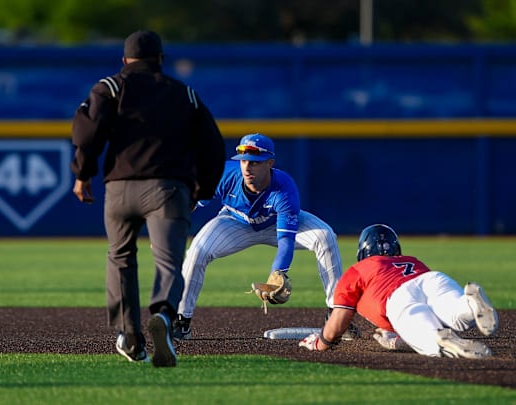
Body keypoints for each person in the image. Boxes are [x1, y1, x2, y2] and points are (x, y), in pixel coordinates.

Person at [70, 30, 226, 367]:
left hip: (120, 187)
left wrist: (83, 173)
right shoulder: (184, 93)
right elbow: (213, 146)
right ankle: (164, 317)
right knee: (169, 261)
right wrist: (204, 188)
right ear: (160, 60)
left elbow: (87, 132)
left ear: (125, 60)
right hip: (168, 189)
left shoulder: (111, 87)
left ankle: (128, 332)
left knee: (120, 257)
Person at [174, 133, 348, 340]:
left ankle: (336, 315)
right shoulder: (224, 175)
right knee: (197, 250)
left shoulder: (284, 188)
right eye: (244, 161)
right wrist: (171, 231)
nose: (247, 167)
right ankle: (181, 321)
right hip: (235, 222)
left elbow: (286, 240)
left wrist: (278, 271)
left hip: (275, 224)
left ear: (270, 163)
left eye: (255, 162)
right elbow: (190, 203)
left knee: (325, 236)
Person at [299, 224, 498, 358]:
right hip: (431, 279)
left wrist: (320, 342)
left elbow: (338, 319)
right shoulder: (412, 260)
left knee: (430, 337)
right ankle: (469, 304)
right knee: (454, 314)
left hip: (396, 298)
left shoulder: (358, 270)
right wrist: (394, 340)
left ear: (364, 251)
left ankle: (440, 341)